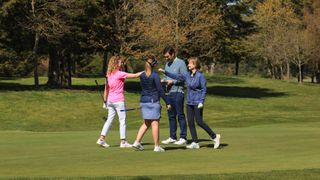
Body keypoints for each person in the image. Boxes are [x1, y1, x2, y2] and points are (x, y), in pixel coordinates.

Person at [159, 57, 221, 149]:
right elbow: (177, 77)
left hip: (197, 102)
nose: (188, 65)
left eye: (190, 63)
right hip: (189, 102)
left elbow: (204, 89)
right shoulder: (187, 75)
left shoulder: (200, 76)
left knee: (199, 121)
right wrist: (165, 72)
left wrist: (201, 101)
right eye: (188, 63)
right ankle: (195, 142)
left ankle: (215, 137)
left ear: (195, 65)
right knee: (190, 122)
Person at [96, 55, 143, 148]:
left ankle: (101, 139)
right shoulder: (120, 73)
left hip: (110, 101)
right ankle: (123, 141)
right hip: (118, 101)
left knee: (109, 120)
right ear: (116, 64)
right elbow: (135, 75)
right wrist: (146, 71)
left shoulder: (108, 74)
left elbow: (106, 89)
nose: (122, 63)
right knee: (122, 120)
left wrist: (105, 101)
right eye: (120, 62)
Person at [132, 55, 171, 152]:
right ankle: (157, 146)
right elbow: (160, 90)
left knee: (146, 122)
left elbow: (149, 85)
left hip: (144, 101)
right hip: (153, 101)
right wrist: (168, 102)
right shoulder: (155, 75)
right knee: (155, 123)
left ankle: (137, 142)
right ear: (153, 64)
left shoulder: (142, 75)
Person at [161, 46, 188, 145]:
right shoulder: (167, 64)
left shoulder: (181, 63)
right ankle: (172, 137)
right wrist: (163, 81)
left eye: (167, 56)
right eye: (165, 57)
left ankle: (183, 137)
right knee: (171, 116)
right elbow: (165, 76)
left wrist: (173, 81)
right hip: (168, 93)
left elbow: (184, 78)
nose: (166, 58)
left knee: (180, 115)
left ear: (173, 54)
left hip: (178, 92)